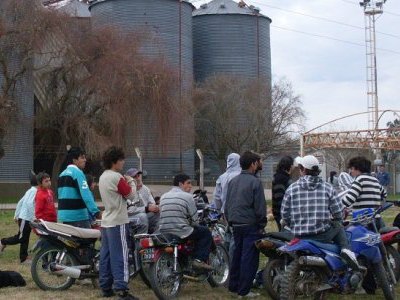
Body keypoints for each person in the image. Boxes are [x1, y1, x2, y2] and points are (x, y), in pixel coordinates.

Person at [281, 155, 361, 270]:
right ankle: (346, 249)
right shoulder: (327, 188)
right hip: (322, 236)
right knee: (338, 225)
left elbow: (285, 214)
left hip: (299, 235)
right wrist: (337, 219)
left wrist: (293, 225)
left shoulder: (291, 189)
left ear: (302, 169)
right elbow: (338, 213)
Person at [98, 146, 138, 300]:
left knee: (106, 256)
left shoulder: (103, 176)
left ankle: (106, 286)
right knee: (120, 255)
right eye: (121, 160)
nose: (123, 163)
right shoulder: (117, 177)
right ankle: (122, 289)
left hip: (107, 220)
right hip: (118, 221)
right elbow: (131, 195)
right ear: (115, 161)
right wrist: (132, 181)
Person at [225, 151, 267, 298]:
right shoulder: (255, 182)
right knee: (249, 258)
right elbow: (260, 207)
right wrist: (262, 224)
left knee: (237, 255)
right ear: (253, 164)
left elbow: (227, 203)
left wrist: (229, 220)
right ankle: (244, 290)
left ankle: (233, 286)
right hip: (250, 224)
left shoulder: (233, 181)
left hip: (235, 224)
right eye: (257, 162)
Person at [158, 174, 213, 271]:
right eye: (188, 183)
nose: (191, 186)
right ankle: (199, 260)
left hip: (164, 232)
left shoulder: (163, 196)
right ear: (180, 184)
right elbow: (195, 221)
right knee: (205, 232)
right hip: (180, 231)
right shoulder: (187, 196)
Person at [58, 147, 100, 228]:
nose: (85, 160)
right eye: (82, 157)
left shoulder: (62, 174)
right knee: (88, 239)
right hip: (78, 216)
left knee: (73, 240)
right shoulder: (78, 173)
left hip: (64, 216)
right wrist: (96, 212)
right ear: (74, 160)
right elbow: (86, 195)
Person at [0, 173, 38, 263]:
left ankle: (23, 258)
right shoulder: (34, 191)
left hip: (26, 218)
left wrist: (16, 215)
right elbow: (28, 204)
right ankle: (3, 242)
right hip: (25, 218)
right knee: (21, 238)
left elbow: (20, 202)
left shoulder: (31, 190)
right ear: (39, 182)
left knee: (25, 237)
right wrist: (34, 217)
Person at [125, 168, 159, 233]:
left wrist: (155, 207)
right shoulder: (128, 191)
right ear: (129, 180)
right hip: (130, 218)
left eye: (138, 176)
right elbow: (130, 211)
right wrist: (146, 209)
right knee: (142, 217)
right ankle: (142, 241)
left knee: (159, 213)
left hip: (144, 215)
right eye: (134, 177)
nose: (138, 178)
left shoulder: (145, 188)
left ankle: (155, 238)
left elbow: (152, 203)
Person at [271, 156, 294, 231]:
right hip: (282, 214)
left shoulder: (277, 177)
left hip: (277, 213)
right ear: (289, 166)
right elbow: (279, 197)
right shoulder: (283, 179)